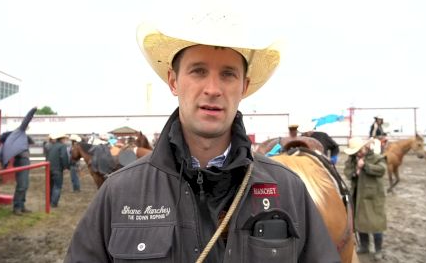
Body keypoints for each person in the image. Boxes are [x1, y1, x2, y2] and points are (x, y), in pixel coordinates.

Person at [65, 13, 340, 263]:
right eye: (198, 71)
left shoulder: (288, 190)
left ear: (243, 86)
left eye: (228, 74)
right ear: (173, 81)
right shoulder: (119, 192)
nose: (213, 89)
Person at [343, 137, 387, 261]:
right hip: (358, 196)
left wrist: (365, 166)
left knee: (376, 223)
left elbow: (382, 170)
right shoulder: (352, 160)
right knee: (360, 223)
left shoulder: (377, 158)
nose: (357, 153)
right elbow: (347, 172)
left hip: (373, 197)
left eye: (358, 151)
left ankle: (378, 250)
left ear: (365, 147)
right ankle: (364, 246)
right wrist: (355, 172)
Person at [0, 107, 37, 216]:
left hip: (24, 161)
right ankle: (17, 207)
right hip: (22, 161)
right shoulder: (19, 132)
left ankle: (22, 205)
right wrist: (33, 111)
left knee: (25, 184)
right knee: (22, 185)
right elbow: (26, 120)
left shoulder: (10, 141)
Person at [47, 133, 70, 207]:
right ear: (62, 139)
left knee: (50, 186)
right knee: (57, 186)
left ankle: (49, 201)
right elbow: (63, 156)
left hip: (49, 168)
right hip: (57, 169)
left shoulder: (50, 146)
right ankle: (54, 203)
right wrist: (66, 166)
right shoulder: (62, 146)